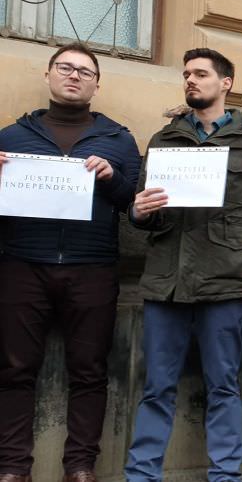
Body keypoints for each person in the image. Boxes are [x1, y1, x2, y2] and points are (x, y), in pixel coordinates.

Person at [123, 48, 242, 482]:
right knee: (156, 388)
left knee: (223, 387)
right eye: (186, 74)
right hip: (166, 282)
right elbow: (147, 213)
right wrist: (139, 211)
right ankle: (141, 475)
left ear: (226, 83)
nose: (190, 80)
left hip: (227, 281)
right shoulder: (164, 139)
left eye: (200, 73)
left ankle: (225, 476)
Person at [0, 42, 141, 482]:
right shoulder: (10, 137)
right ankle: (12, 468)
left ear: (97, 83)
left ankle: (80, 466)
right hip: (21, 265)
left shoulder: (119, 140)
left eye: (85, 70)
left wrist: (112, 177)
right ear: (48, 75)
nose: (74, 75)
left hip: (93, 268)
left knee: (89, 372)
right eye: (65, 67)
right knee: (14, 370)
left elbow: (134, 205)